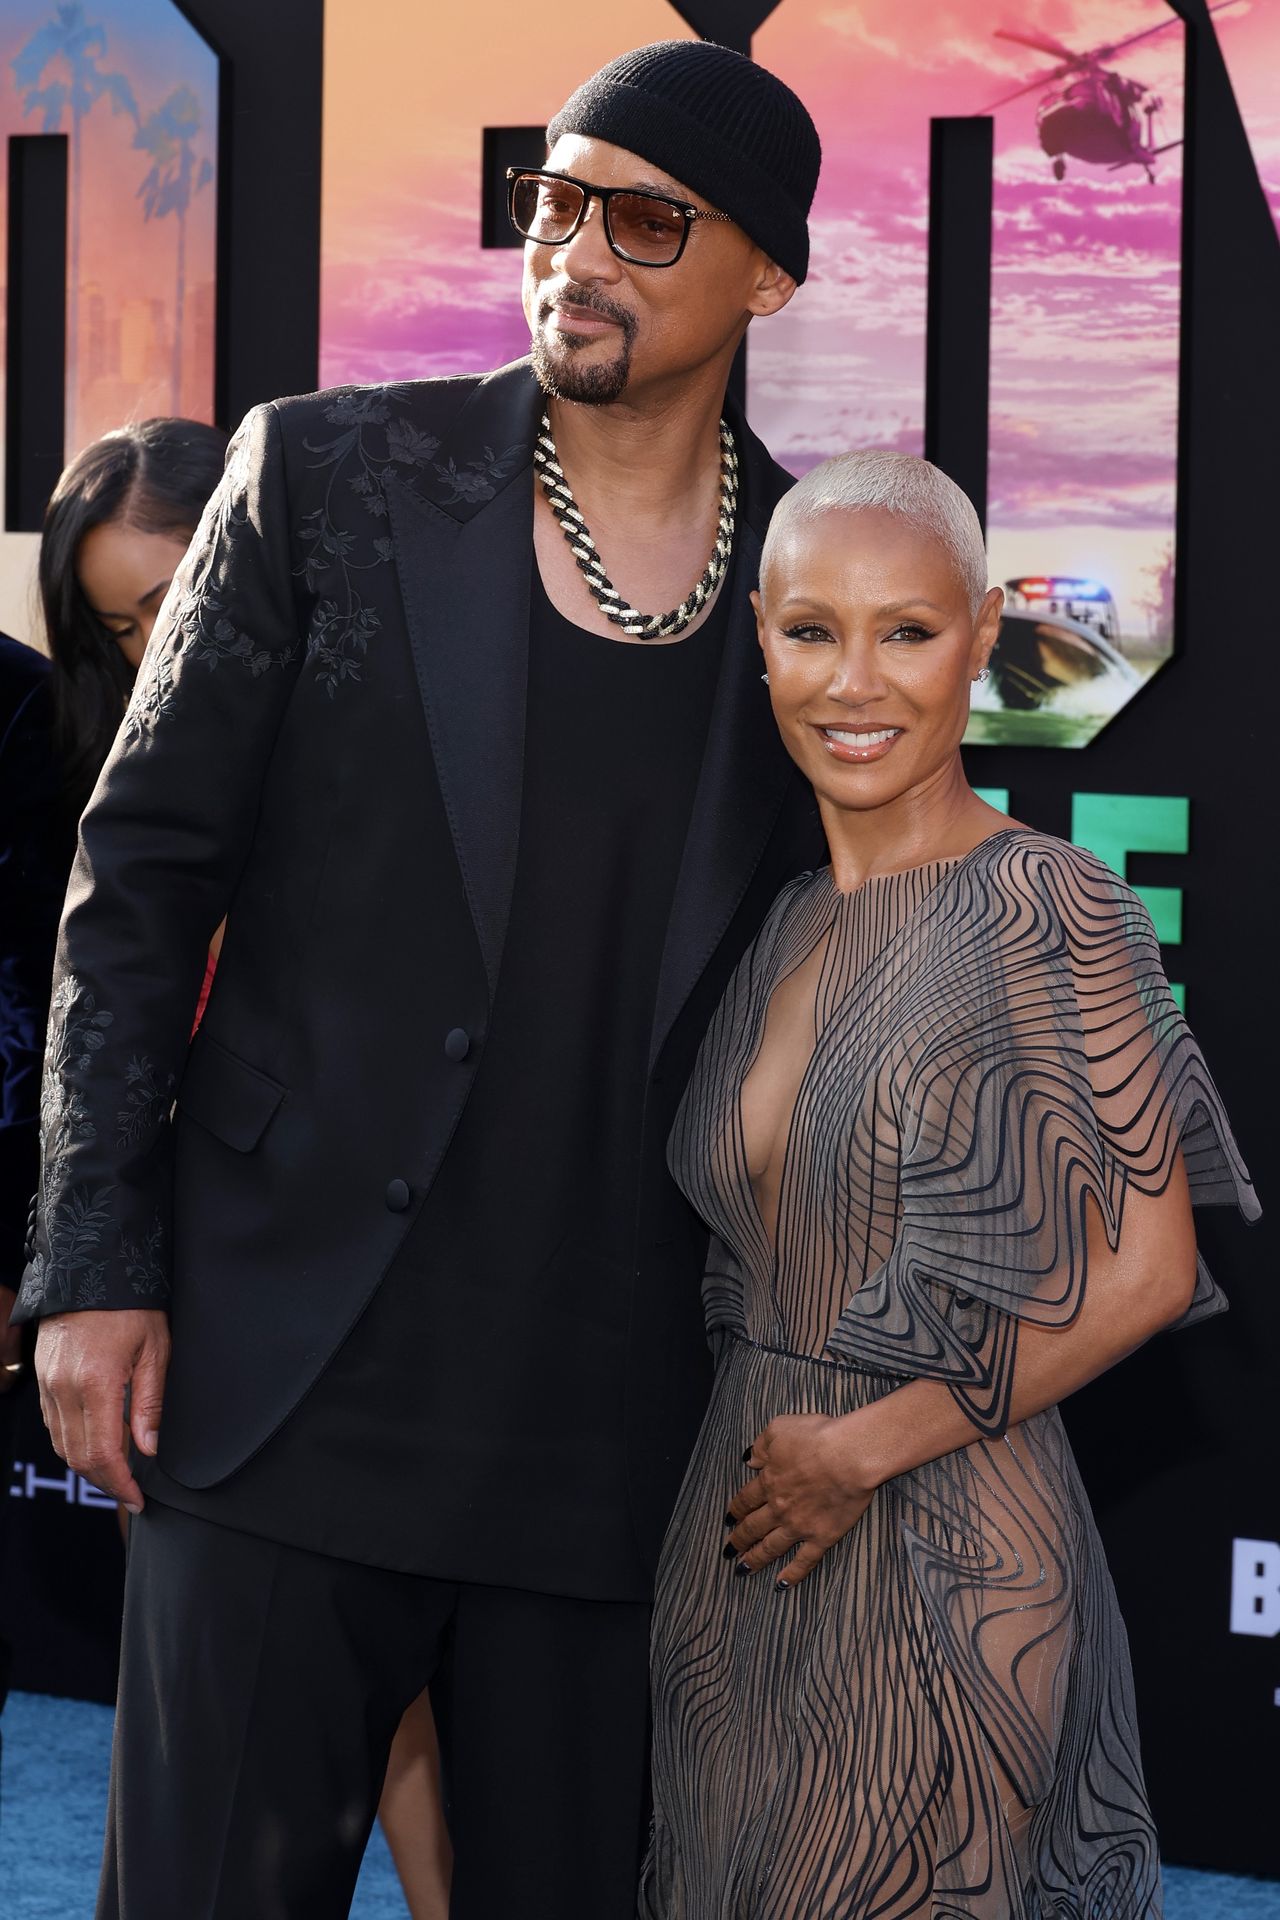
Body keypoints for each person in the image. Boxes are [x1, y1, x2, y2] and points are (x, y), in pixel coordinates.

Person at [14, 40, 825, 1920]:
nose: (579, 257)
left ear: (767, 273)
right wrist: (93, 1269)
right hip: (285, 1384)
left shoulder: (809, 581)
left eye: (648, 221)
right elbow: (136, 880)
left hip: (614, 1434)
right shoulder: (331, 475)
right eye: (555, 203)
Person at [640, 450, 1258, 1918]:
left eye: (907, 632)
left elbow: (1152, 1272)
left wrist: (863, 1448)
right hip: (739, 1540)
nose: (856, 683)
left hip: (943, 1543)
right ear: (762, 641)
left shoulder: (1053, 901)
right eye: (812, 632)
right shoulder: (780, 918)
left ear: (981, 637)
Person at [36, 416, 450, 1917]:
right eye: (123, 622)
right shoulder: (97, 785)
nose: (158, 647)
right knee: (232, 1725)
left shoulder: (374, 734)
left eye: (178, 600)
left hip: (364, 1258)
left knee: (401, 1680)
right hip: (201, 1273)